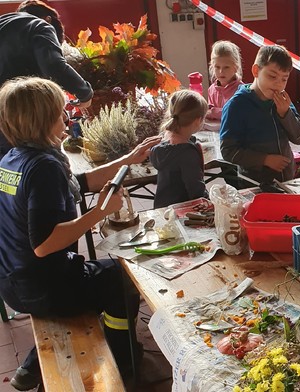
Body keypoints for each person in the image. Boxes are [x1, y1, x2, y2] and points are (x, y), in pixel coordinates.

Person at [0, 77, 160, 391]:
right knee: (122, 276)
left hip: (11, 282)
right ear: (43, 119)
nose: (67, 118)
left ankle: (34, 361)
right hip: (42, 287)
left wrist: (128, 160)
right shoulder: (44, 167)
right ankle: (122, 357)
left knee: (107, 275)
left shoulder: (14, 158)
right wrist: (99, 212)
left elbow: (81, 182)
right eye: (61, 113)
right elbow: (45, 245)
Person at [0, 0, 93, 158]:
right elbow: (53, 64)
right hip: (13, 109)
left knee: (7, 168)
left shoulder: (5, 22)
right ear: (48, 19)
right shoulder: (39, 25)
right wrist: (84, 92)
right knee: (36, 161)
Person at [219, 44, 300, 185]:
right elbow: (228, 151)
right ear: (256, 71)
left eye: (284, 79)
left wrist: (285, 114)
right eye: (272, 76)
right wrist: (265, 159)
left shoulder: (283, 101)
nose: (278, 84)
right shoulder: (237, 106)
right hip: (254, 184)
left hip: (286, 180)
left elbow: (299, 137)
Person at [150, 89, 209, 208]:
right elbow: (197, 192)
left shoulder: (162, 141)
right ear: (198, 120)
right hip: (183, 211)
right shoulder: (187, 153)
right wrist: (210, 202)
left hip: (162, 208)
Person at [206, 40, 244, 121]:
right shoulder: (212, 89)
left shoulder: (241, 90)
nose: (221, 71)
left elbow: (235, 114)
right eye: (217, 67)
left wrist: (213, 112)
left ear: (236, 67)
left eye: (226, 67)